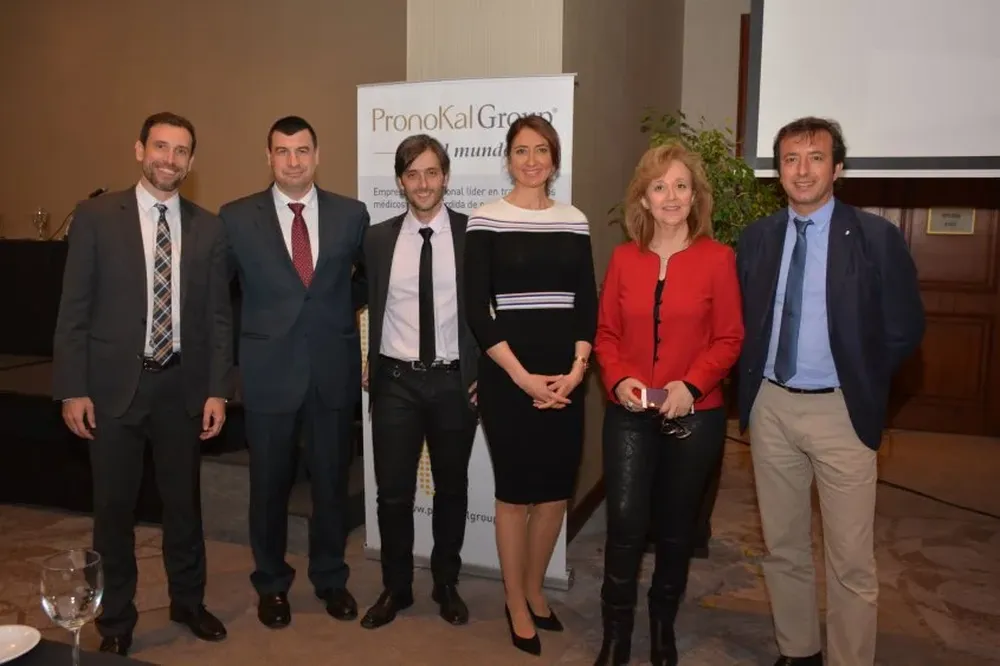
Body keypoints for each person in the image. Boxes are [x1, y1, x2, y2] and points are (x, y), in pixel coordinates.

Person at [736, 117, 924, 666]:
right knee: (784, 546)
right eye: (791, 159)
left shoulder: (875, 237)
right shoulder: (758, 238)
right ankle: (799, 650)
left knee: (850, 560)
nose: (802, 169)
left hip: (841, 411)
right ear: (779, 172)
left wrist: (861, 377)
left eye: (815, 157)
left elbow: (904, 327)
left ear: (837, 168)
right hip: (771, 406)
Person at [52, 112, 233, 656]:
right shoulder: (95, 217)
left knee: (184, 507)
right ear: (139, 150)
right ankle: (116, 620)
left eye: (180, 151)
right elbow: (74, 309)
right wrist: (72, 387)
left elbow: (219, 318)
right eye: (160, 147)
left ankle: (188, 601)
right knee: (113, 511)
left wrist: (218, 390)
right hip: (111, 391)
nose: (169, 160)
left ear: (191, 162)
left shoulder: (209, 227)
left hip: (182, 388)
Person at [592, 141, 744, 666]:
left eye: (681, 185)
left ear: (695, 195)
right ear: (644, 198)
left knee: (678, 528)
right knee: (626, 524)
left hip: (694, 417)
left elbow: (729, 338)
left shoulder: (718, 259)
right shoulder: (622, 259)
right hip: (629, 414)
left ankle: (662, 625)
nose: (671, 196)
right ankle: (616, 632)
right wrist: (620, 379)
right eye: (660, 186)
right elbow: (606, 334)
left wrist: (692, 386)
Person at [220, 116, 368, 629]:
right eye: (282, 151)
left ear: (317, 154)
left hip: (331, 371)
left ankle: (331, 578)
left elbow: (364, 283)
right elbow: (222, 297)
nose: (293, 161)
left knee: (330, 483)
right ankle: (272, 584)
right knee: (269, 487)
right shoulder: (236, 218)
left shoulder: (352, 216)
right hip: (268, 375)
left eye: (302, 150)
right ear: (268, 157)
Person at [464, 114, 597, 657]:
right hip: (508, 377)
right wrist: (521, 379)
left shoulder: (574, 219)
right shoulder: (485, 219)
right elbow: (478, 308)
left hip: (566, 375)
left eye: (542, 150)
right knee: (517, 495)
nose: (532, 159)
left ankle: (537, 587)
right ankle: (515, 600)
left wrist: (579, 366)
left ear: (554, 158)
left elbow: (586, 299)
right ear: (508, 158)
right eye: (521, 150)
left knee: (555, 494)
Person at [360, 134, 479, 629]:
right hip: (396, 383)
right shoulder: (378, 238)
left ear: (446, 177)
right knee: (392, 494)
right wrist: (368, 358)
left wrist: (484, 373)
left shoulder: (474, 234)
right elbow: (363, 299)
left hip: (455, 384)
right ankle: (396, 586)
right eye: (413, 174)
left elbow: (488, 312)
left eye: (432, 173)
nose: (423, 183)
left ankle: (446, 582)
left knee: (451, 489)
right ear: (400, 182)